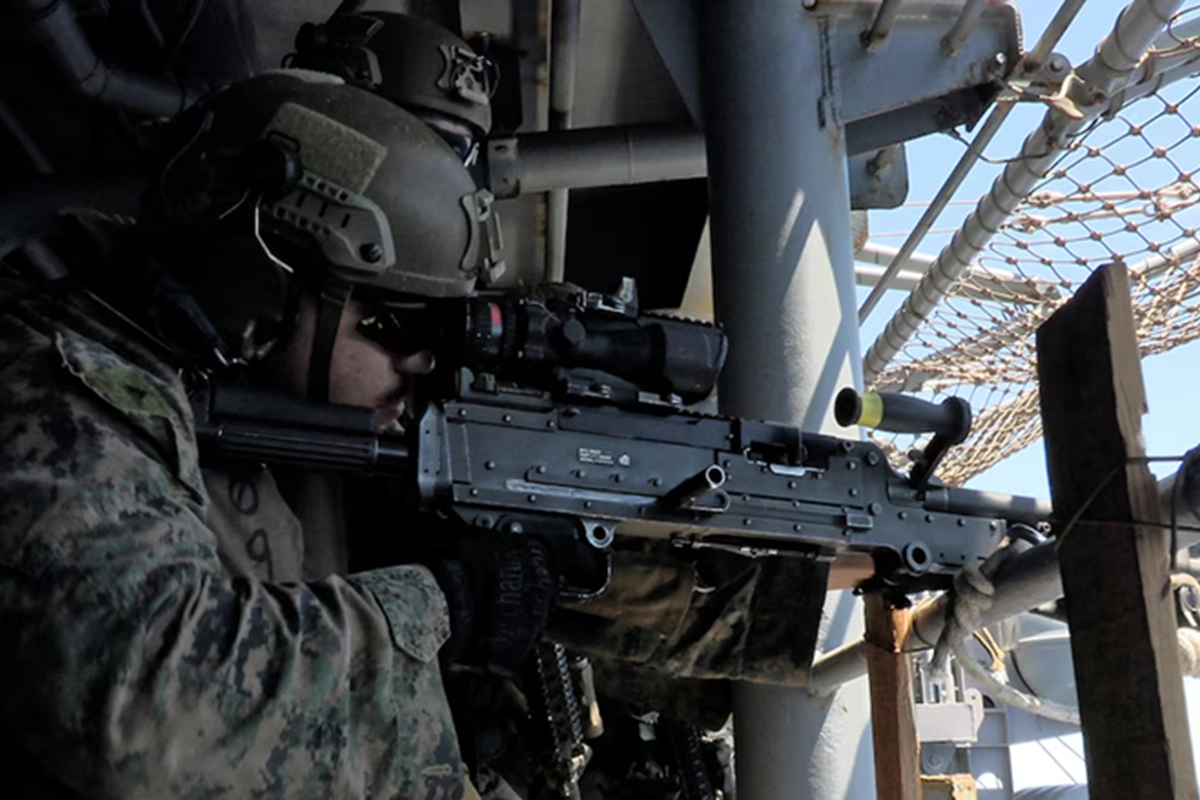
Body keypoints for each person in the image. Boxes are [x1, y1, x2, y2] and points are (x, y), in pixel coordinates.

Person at [0, 54, 554, 799]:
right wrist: (442, 603)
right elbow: (153, 709)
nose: (425, 359)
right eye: (399, 321)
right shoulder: (52, 396)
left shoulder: (205, 400)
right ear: (265, 283)